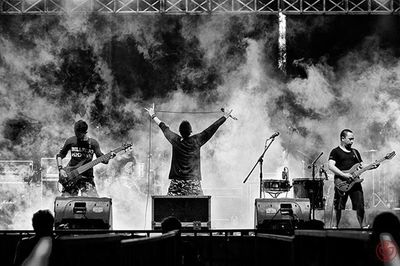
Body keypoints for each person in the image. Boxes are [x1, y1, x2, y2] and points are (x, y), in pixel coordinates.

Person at [145, 104, 232, 196]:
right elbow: (212, 128)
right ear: (191, 131)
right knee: (199, 206)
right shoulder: (197, 140)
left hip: (176, 183)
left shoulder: (175, 140)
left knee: (170, 206)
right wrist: (225, 116)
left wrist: (153, 115)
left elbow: (163, 127)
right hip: (193, 182)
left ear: (179, 131)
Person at [328, 129, 379, 228]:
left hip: (355, 183)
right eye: (350, 139)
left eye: (353, 139)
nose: (352, 141)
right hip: (341, 183)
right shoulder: (335, 151)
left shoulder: (355, 152)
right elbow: (331, 166)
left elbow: (361, 165)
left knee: (360, 205)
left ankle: (363, 227)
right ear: (342, 138)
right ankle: (334, 227)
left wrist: (371, 166)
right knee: (338, 206)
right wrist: (344, 175)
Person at [56, 120, 114, 197]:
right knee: (67, 200)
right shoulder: (70, 141)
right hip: (71, 176)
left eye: (79, 133)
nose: (76, 134)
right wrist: (61, 169)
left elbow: (102, 159)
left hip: (87, 177)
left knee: (90, 200)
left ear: (84, 132)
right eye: (75, 132)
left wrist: (109, 157)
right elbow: (60, 156)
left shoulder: (93, 143)